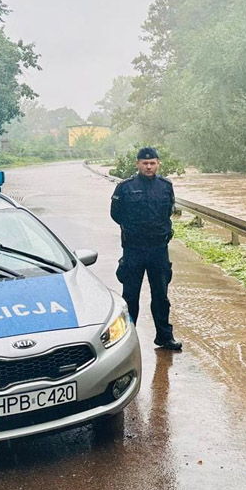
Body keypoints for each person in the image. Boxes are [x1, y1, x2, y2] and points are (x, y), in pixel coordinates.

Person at [110, 147, 182, 350]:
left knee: (161, 296)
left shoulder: (166, 186)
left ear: (158, 164)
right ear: (137, 164)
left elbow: (168, 211)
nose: (148, 166)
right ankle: (127, 340)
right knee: (130, 296)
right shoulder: (125, 187)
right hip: (134, 249)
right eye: (145, 163)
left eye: (152, 163)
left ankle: (164, 337)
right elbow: (115, 214)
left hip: (158, 249)